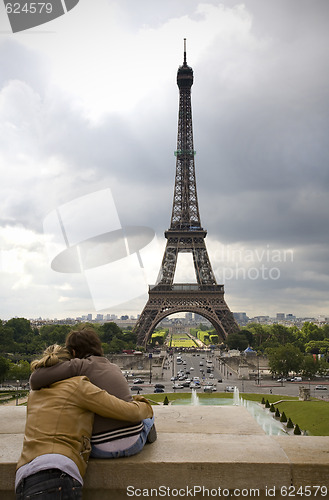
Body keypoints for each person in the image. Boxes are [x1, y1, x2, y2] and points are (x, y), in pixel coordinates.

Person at [16, 344, 153, 499]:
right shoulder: (78, 386)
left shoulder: (33, 395)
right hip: (58, 474)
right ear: (70, 365)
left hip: (24, 476)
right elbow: (127, 411)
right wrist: (144, 405)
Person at [29, 326, 157, 459]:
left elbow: (35, 380)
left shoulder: (78, 366)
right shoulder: (114, 367)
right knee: (148, 417)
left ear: (73, 352)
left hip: (99, 447)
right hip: (135, 443)